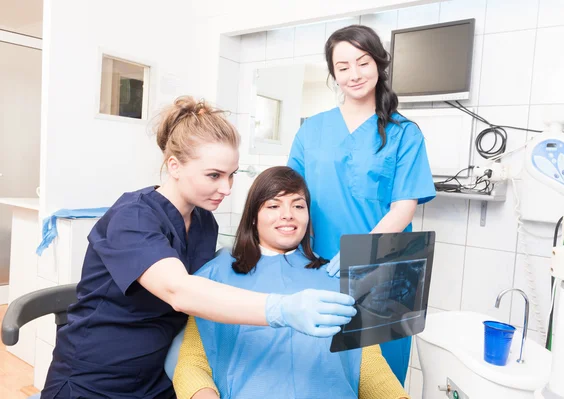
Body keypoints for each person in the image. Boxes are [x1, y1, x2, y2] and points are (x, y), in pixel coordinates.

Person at [41, 97, 356, 399]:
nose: (227, 188)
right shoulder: (133, 218)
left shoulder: (204, 221)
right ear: (175, 166)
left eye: (232, 175)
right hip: (96, 379)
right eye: (214, 175)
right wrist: (282, 309)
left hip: (157, 379)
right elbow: (179, 291)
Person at [172, 166, 410, 399]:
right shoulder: (219, 273)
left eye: (298, 205)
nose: (288, 214)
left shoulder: (337, 278)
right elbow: (193, 361)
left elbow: (367, 366)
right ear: (253, 217)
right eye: (273, 206)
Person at [287, 25, 436, 384]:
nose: (354, 74)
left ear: (379, 64)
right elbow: (290, 196)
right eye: (342, 67)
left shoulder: (404, 132)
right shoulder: (312, 130)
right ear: (333, 74)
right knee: (323, 368)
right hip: (320, 261)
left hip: (384, 267)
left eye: (362, 62)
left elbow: (403, 208)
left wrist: (361, 255)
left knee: (380, 374)